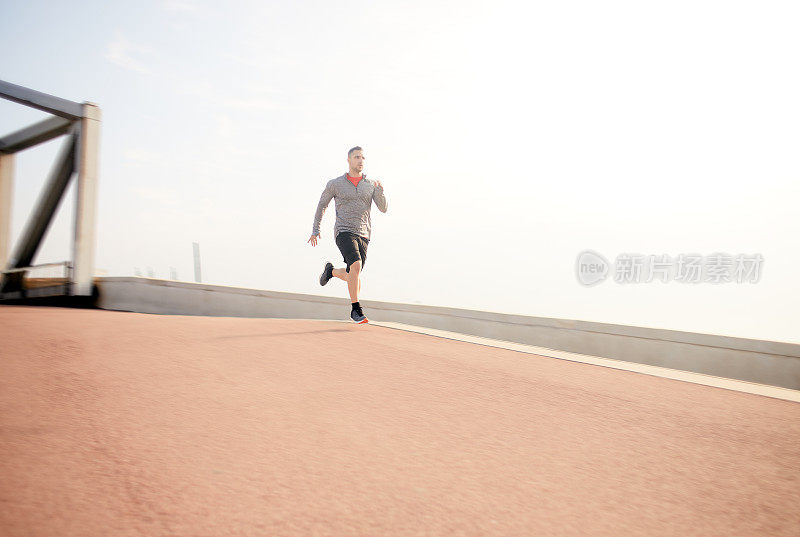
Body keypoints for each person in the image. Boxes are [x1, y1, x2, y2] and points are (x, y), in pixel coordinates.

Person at [308, 146, 388, 323]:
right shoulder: (335, 184)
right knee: (356, 265)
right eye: (357, 157)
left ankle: (331, 272)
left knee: (354, 273)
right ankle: (355, 310)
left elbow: (383, 208)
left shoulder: (371, 185)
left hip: (364, 234)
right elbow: (322, 205)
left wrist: (381, 191)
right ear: (349, 160)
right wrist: (316, 229)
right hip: (343, 231)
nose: (360, 160)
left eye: (363, 157)